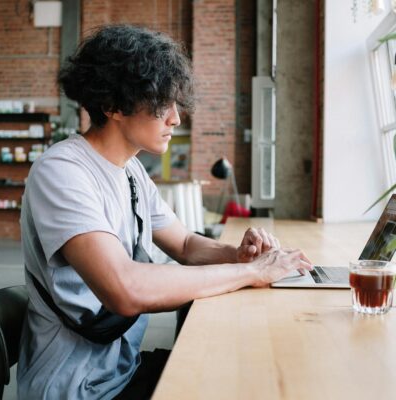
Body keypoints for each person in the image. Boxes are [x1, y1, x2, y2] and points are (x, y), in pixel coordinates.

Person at [17, 24, 312, 400]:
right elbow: (124, 288)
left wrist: (239, 254)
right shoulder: (61, 172)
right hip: (78, 389)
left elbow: (186, 244)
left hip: (122, 371)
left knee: (246, 374)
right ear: (113, 104)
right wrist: (250, 272)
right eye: (160, 103)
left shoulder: (132, 171)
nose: (175, 118)